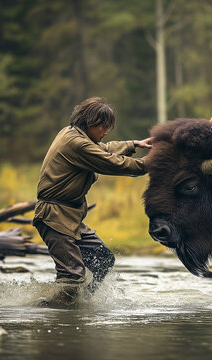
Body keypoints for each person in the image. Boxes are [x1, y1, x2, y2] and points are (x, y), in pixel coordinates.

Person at [33, 97, 152, 305]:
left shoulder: (72, 134)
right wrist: (148, 164)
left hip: (71, 217)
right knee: (72, 278)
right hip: (54, 217)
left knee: (103, 260)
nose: (106, 132)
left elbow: (103, 149)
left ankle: (82, 303)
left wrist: (133, 144)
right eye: (103, 127)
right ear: (89, 122)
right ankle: (50, 314)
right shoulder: (75, 143)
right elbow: (109, 162)